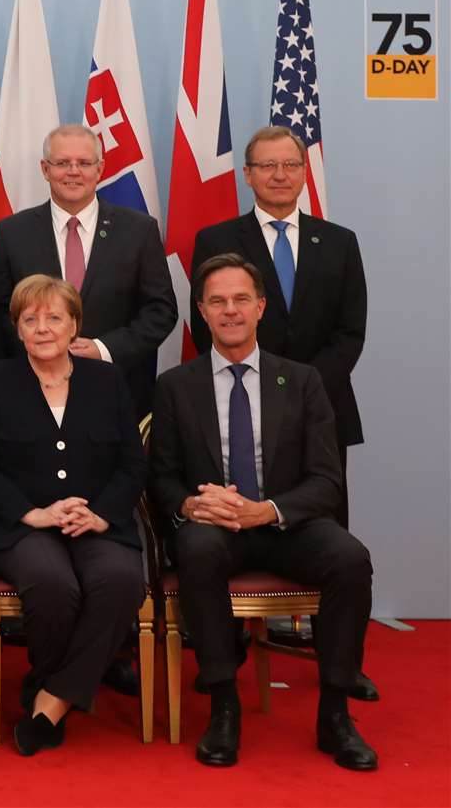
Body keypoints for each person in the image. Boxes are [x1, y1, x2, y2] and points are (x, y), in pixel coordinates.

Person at [149, 253, 377, 771]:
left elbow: (326, 480)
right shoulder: (175, 387)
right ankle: (224, 705)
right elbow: (159, 477)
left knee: (350, 558)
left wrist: (267, 510)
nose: (230, 311)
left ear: (261, 308)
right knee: (198, 549)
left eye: (240, 300)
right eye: (217, 301)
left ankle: (335, 712)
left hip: (285, 523)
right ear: (201, 312)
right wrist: (190, 503)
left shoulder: (301, 382)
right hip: (215, 525)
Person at [189, 125, 376, 699]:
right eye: (265, 166)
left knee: (331, 536)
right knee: (226, 531)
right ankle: (227, 651)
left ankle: (338, 659)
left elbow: (351, 331)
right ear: (247, 174)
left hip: (320, 409)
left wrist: (300, 391)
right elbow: (207, 327)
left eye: (289, 165)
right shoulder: (218, 236)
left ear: (304, 171)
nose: (278, 175)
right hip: (237, 403)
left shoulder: (338, 241)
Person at [0, 275, 146, 755]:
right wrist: (32, 513)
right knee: (51, 583)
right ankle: (60, 687)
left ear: (75, 326)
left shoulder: (108, 380)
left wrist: (102, 514)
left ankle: (51, 697)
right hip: (21, 527)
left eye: (54, 318)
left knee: (121, 581)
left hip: (97, 522)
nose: (42, 328)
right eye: (30, 319)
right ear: (18, 329)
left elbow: (132, 463)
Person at [0, 124, 176, 417]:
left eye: (84, 163)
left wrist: (104, 349)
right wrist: (43, 350)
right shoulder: (13, 233)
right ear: (45, 169)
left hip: (118, 389)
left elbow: (161, 310)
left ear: (100, 169)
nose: (73, 171)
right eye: (62, 163)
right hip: (32, 390)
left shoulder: (139, 230)